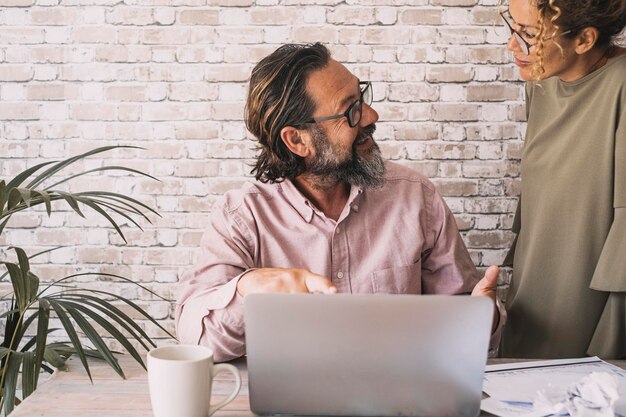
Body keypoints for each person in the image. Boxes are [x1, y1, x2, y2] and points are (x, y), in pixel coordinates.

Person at [176, 43, 504, 362]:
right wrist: (250, 290)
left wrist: (482, 318)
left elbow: (464, 315)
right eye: (350, 111)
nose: (371, 115)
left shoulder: (415, 197)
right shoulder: (242, 217)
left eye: (362, 98)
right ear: (297, 140)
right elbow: (197, 339)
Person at [500, 0, 626, 358]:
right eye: (514, 27)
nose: (513, 45)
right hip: (535, 291)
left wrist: (610, 341)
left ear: (585, 39)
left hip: (591, 302)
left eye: (528, 34)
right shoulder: (541, 81)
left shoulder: (622, 87)